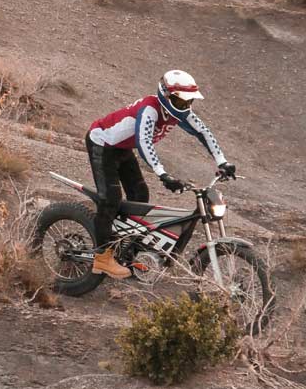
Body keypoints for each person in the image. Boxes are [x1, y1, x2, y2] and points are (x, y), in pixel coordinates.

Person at [85, 70, 236, 278]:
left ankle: (125, 250)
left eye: (188, 101)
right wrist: (163, 175)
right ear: (165, 95)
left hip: (121, 148)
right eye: (180, 101)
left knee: (140, 197)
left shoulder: (178, 113)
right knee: (110, 198)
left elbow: (204, 132)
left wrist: (222, 161)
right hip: (102, 143)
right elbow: (143, 142)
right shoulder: (150, 110)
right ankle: (102, 258)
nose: (185, 106)